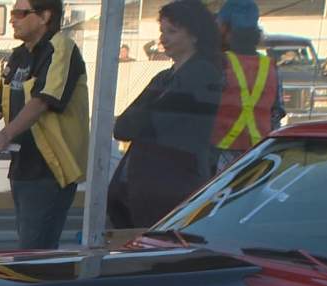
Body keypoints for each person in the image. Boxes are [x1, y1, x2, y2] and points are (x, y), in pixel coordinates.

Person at [0, 0, 90, 250]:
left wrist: (5, 135)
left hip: (50, 169)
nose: (12, 19)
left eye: (20, 13)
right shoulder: (18, 56)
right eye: (12, 13)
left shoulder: (61, 48)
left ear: (44, 16)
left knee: (33, 253)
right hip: (23, 165)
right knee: (29, 248)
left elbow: (42, 101)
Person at [108, 0, 223, 231]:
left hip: (175, 185)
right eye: (162, 31)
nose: (164, 38)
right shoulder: (164, 77)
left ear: (195, 35)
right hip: (148, 184)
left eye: (172, 31)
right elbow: (123, 127)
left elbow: (143, 124)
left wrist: (145, 114)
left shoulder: (201, 74)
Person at [210, 0, 283, 172]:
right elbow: (276, 113)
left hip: (220, 156)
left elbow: (204, 109)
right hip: (259, 154)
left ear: (226, 30)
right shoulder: (270, 66)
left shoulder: (219, 64)